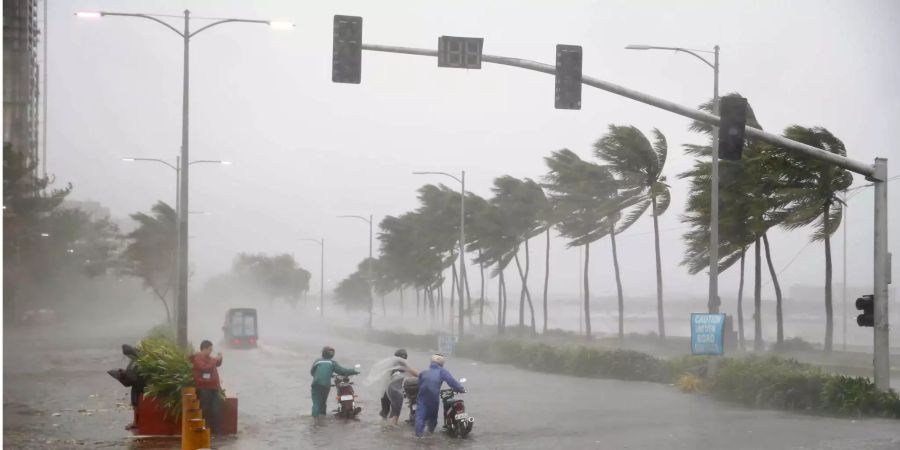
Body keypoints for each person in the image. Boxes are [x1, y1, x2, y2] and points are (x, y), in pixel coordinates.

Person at [414, 354, 465, 438]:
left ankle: (418, 437)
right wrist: (461, 389)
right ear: (442, 363)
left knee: (420, 417)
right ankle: (430, 435)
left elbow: (419, 384)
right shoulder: (442, 371)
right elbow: (452, 382)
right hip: (433, 398)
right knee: (433, 418)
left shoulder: (423, 372)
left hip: (422, 397)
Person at [310, 346, 359, 418]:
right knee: (323, 402)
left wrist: (322, 376)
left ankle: (314, 421)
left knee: (316, 403)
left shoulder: (317, 361)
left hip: (316, 384)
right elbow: (342, 371)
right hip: (325, 385)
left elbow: (312, 372)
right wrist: (353, 371)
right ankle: (322, 419)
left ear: (323, 353)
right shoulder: (332, 363)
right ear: (332, 355)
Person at [378, 349, 419, 426]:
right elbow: (417, 374)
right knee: (395, 413)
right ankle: (391, 431)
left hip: (385, 391)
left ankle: (382, 428)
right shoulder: (402, 365)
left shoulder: (390, 365)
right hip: (395, 391)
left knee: (384, 412)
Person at [190, 340, 223, 434]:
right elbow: (205, 367)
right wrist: (215, 359)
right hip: (203, 387)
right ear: (203, 349)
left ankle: (217, 431)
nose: (210, 352)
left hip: (213, 386)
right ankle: (205, 430)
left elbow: (217, 364)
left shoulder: (210, 358)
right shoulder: (197, 359)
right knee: (205, 409)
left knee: (216, 409)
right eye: (209, 350)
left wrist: (220, 358)